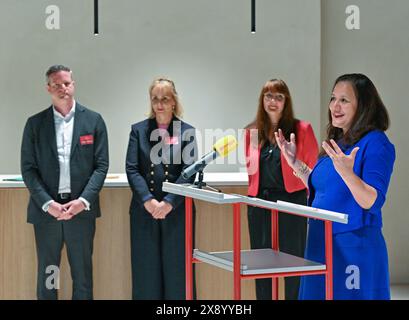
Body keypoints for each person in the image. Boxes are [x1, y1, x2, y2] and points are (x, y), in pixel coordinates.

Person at [276, 73, 395, 299]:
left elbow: (372, 200)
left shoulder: (377, 143)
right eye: (333, 98)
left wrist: (348, 174)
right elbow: (325, 190)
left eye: (344, 100)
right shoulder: (338, 143)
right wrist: (295, 162)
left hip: (353, 247)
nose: (335, 106)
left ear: (363, 106)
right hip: (320, 242)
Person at [21, 65, 109, 299]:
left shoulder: (93, 121)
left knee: (82, 276)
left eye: (67, 83)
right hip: (47, 213)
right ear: (48, 88)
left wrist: (83, 201)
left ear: (74, 84)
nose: (63, 88)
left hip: (80, 211)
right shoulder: (35, 124)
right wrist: (47, 203)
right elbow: (28, 170)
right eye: (57, 84)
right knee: (49, 275)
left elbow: (101, 167)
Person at [244, 79, 319, 300]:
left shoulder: (301, 129)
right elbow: (251, 171)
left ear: (286, 101)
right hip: (259, 203)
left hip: (291, 201)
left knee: (293, 262)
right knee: (261, 264)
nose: (273, 101)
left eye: (279, 96)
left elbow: (311, 169)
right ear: (262, 100)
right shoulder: (251, 132)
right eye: (269, 96)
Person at [126, 77, 197, 300]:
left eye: (165, 99)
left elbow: (189, 172)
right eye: (155, 99)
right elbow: (132, 169)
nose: (159, 104)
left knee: (179, 273)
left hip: (178, 213)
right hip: (143, 212)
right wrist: (148, 200)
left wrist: (168, 202)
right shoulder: (138, 131)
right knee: (145, 273)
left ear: (174, 101)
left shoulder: (187, 131)